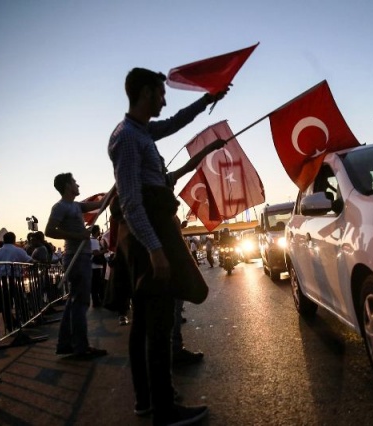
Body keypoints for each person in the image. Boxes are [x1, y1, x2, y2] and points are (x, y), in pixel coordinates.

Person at [108, 67, 226, 425]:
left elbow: (175, 122)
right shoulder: (128, 137)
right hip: (150, 234)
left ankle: (146, 400)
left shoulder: (140, 130)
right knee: (157, 325)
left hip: (152, 230)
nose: (164, 99)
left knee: (144, 322)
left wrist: (208, 99)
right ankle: (164, 409)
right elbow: (130, 201)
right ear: (145, 93)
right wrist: (156, 249)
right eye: (160, 93)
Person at [45, 172, 108, 359]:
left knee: (74, 302)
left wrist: (111, 193)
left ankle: (65, 344)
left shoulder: (76, 206)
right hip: (76, 257)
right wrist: (78, 236)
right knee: (80, 303)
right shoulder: (60, 206)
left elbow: (99, 205)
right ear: (66, 185)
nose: (77, 184)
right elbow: (49, 230)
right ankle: (81, 347)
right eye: (74, 182)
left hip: (81, 256)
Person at [0, 231, 33, 332]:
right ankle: (24, 321)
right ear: (14, 239)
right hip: (15, 278)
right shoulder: (19, 251)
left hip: (0, 279)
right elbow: (29, 260)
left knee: (5, 303)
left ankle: (9, 325)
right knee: (20, 300)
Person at [90, 225, 107, 307]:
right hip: (95, 266)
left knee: (96, 285)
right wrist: (104, 251)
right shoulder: (94, 241)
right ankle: (96, 302)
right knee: (96, 285)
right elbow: (95, 252)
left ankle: (97, 300)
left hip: (95, 266)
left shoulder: (93, 240)